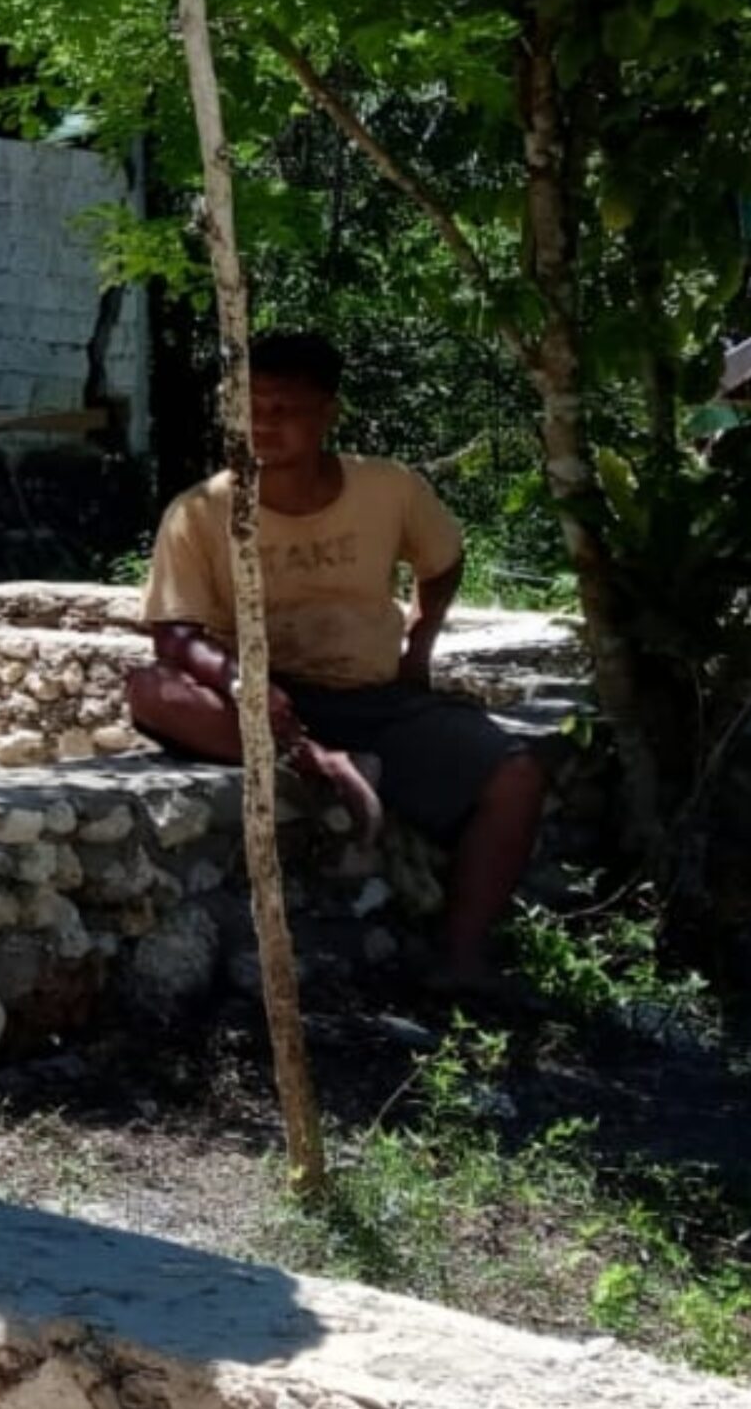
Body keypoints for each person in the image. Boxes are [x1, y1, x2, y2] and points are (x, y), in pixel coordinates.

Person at [125, 330, 548, 989]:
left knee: (514, 778)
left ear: (328, 413)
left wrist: (420, 641)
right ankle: (313, 759)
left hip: (373, 695)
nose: (263, 423)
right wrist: (243, 683)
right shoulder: (201, 511)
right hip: (260, 704)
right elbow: (173, 635)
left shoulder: (390, 489)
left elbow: (443, 559)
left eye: (284, 408)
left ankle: (463, 958)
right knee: (151, 691)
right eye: (250, 406)